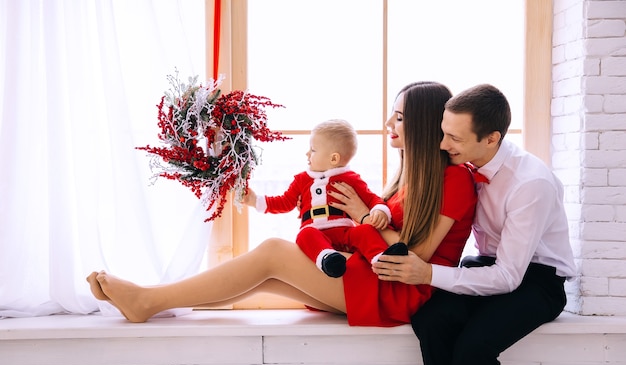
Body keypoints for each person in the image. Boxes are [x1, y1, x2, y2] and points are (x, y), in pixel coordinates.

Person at [86, 81, 477, 328]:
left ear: (424, 125)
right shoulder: (409, 178)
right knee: (270, 277)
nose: (390, 124)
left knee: (274, 251)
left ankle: (147, 299)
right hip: (377, 279)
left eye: (399, 117)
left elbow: (417, 259)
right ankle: (153, 301)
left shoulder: (455, 179)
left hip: (401, 292)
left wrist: (361, 217)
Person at [373, 84, 576, 365]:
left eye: (454, 139)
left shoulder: (530, 183)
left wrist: (426, 272)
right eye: (443, 133)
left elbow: (509, 277)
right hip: (484, 265)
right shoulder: (463, 164)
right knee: (431, 320)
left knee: (475, 346)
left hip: (537, 280)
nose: (442, 144)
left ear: (491, 139)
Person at [244, 118, 394, 278]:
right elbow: (285, 202)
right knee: (305, 235)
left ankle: (382, 258)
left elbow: (371, 198)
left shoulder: (351, 179)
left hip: (345, 231)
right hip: (317, 232)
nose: (307, 153)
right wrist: (256, 201)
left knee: (365, 231)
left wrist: (380, 210)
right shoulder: (302, 180)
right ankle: (327, 259)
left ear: (334, 159)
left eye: (313, 150)